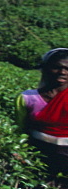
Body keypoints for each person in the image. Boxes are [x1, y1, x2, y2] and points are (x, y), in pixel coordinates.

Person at [17, 48, 68, 177]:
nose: (62, 72)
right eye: (56, 67)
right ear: (45, 68)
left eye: (67, 69)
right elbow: (21, 129)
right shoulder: (27, 98)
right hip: (38, 157)